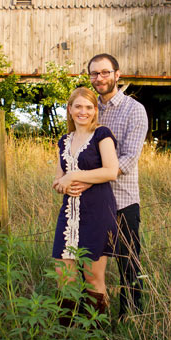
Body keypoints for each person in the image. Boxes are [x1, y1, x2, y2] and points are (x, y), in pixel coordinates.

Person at [68, 53, 148, 319]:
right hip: (91, 203)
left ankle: (132, 319)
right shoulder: (88, 108)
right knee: (88, 267)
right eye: (94, 73)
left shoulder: (134, 110)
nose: (99, 78)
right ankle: (93, 320)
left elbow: (127, 159)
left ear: (117, 74)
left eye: (104, 72)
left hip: (122, 201)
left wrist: (85, 177)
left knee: (129, 266)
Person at [52, 87, 119, 322]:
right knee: (64, 275)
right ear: (69, 110)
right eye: (78, 106)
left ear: (95, 110)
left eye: (89, 107)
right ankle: (66, 332)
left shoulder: (102, 134)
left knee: (92, 276)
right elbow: (60, 176)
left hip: (97, 210)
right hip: (69, 212)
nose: (83, 111)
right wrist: (63, 183)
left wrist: (74, 177)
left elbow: (111, 171)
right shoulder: (64, 141)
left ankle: (95, 332)